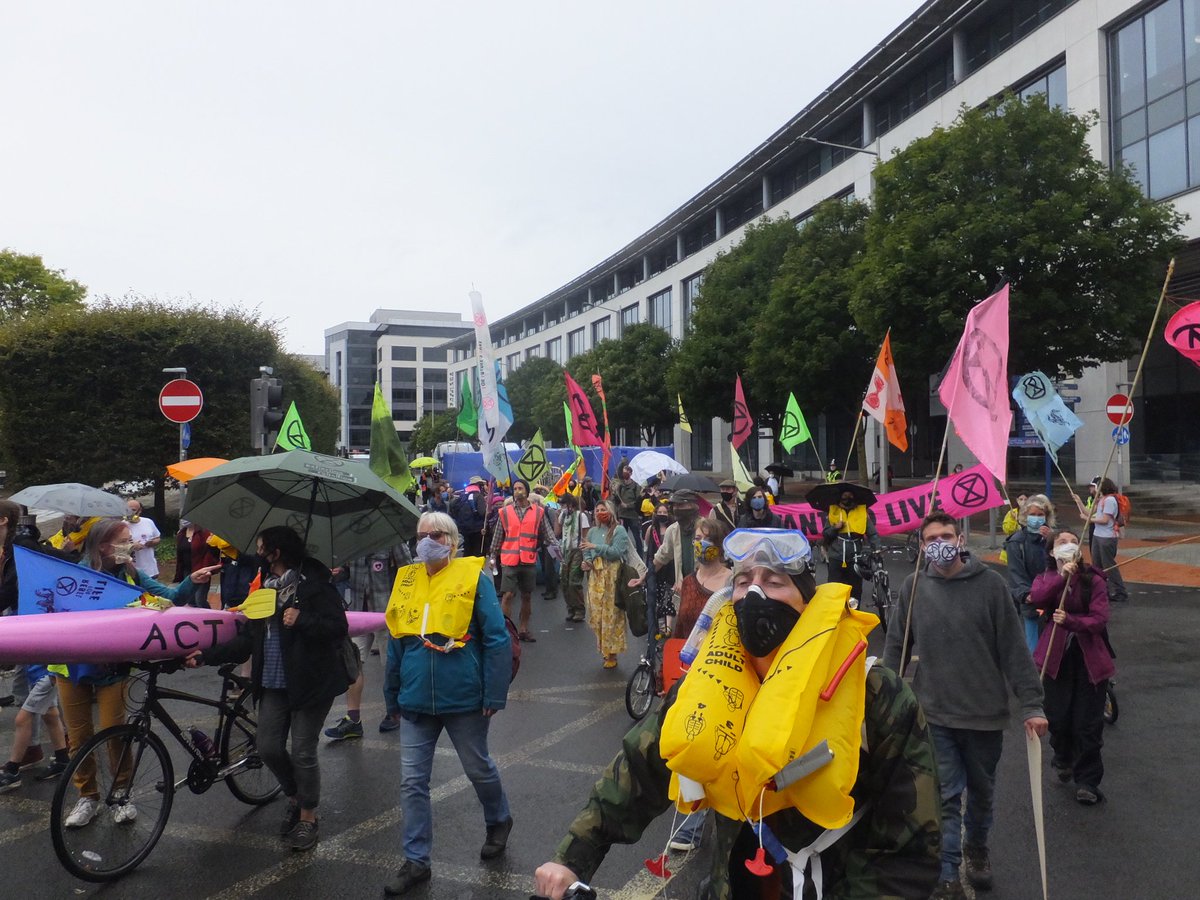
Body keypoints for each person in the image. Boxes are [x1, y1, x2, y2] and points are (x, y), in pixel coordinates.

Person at [534, 528, 941, 900]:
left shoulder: (876, 693)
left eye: (774, 582)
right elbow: (638, 770)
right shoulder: (706, 684)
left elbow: (911, 853)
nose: (754, 595)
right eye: (743, 582)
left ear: (807, 601)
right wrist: (572, 858)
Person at [883, 511, 1048, 899]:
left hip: (985, 714)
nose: (939, 542)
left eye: (946, 534)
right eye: (930, 538)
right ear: (922, 546)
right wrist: (885, 697)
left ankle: (977, 848)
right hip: (934, 713)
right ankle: (947, 874)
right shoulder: (912, 587)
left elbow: (1013, 649)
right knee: (945, 795)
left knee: (981, 792)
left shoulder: (991, 586)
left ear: (960, 539)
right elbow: (896, 648)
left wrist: (1033, 705)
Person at [189, 526, 349, 852]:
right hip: (273, 682)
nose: (256, 553)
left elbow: (337, 627)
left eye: (262, 547)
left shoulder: (315, 586)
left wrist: (302, 619)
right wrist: (205, 656)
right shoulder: (265, 588)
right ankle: (294, 795)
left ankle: (308, 817)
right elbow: (249, 639)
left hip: (310, 683)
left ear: (276, 553)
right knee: (268, 748)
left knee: (303, 752)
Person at [382, 511, 513, 896]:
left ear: (452, 541)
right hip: (416, 699)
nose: (425, 540)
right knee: (412, 783)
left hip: (465, 698)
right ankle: (416, 860)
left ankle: (498, 818)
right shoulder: (406, 579)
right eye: (420, 534)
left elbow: (496, 638)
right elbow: (396, 641)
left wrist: (493, 694)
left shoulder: (474, 578)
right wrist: (391, 695)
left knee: (477, 768)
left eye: (434, 534)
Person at [60, 519, 219, 830]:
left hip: (112, 668)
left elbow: (165, 597)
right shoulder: (77, 575)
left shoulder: (131, 572)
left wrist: (192, 580)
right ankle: (87, 798)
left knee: (115, 733)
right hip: (71, 668)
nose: (130, 544)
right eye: (123, 540)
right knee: (79, 740)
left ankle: (122, 793)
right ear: (103, 546)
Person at [1026, 528, 1113, 805]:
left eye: (1073, 542)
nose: (1068, 545)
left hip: (1089, 659)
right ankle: (1062, 755)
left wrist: (1072, 621)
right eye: (1061, 542)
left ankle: (1087, 780)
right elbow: (1038, 598)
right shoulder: (1046, 578)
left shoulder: (1094, 579)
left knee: (1088, 723)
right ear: (1052, 551)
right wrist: (1063, 576)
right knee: (1058, 717)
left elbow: (1099, 619)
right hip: (1055, 657)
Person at [664, 515, 730, 853]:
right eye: (697, 536)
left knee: (711, 747)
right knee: (688, 744)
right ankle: (690, 823)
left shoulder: (732, 584)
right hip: (688, 676)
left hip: (719, 679)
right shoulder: (688, 581)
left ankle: (703, 822)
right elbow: (680, 628)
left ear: (718, 543)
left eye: (706, 536)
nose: (699, 542)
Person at [325, 543, 412, 740]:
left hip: (387, 612)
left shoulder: (392, 540)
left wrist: (401, 602)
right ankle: (353, 720)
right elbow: (349, 571)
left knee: (392, 666)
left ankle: (396, 712)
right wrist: (339, 573)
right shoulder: (354, 539)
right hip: (358, 612)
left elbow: (410, 573)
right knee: (352, 664)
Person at [488, 478, 559, 643]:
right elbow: (498, 535)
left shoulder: (538, 512)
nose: (517, 491)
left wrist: (558, 551)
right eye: (515, 488)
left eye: (520, 488)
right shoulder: (504, 512)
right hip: (509, 559)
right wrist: (492, 556)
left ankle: (523, 629)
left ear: (527, 492)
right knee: (508, 595)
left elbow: (548, 534)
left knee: (527, 596)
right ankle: (506, 631)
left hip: (528, 560)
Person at [581, 500, 645, 669]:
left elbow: (617, 552)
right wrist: (587, 561)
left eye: (603, 509)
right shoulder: (593, 531)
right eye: (597, 510)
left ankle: (612, 653)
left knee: (612, 614)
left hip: (612, 576)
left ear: (610, 511)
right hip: (596, 576)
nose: (600, 512)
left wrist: (596, 547)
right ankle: (603, 648)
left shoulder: (619, 530)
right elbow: (586, 551)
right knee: (597, 614)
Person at [1004, 493, 1055, 652]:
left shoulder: (1054, 538)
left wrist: (1052, 541)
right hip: (1031, 600)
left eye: (1040, 515)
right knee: (1034, 646)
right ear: (1025, 516)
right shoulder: (1016, 542)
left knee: (1054, 645)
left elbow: (1061, 565)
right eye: (1032, 515)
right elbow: (1016, 574)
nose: (1037, 518)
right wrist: (1027, 595)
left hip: (1054, 599)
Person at [820, 486, 881, 601]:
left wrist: (877, 549)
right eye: (844, 497)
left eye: (850, 497)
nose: (848, 500)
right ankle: (835, 615)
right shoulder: (833, 512)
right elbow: (826, 534)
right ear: (839, 499)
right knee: (834, 589)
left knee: (856, 590)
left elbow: (872, 534)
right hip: (836, 558)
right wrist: (835, 528)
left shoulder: (862, 513)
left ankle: (854, 613)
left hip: (855, 557)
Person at [1078, 476, 1129, 604]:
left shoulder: (1110, 500)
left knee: (1108, 565)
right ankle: (1101, 590)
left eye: (1097, 486)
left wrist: (1088, 519)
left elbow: (1105, 520)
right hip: (1097, 535)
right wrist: (1078, 501)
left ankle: (1119, 590)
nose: (1095, 489)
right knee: (1097, 565)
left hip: (1107, 537)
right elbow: (1089, 511)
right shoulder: (1100, 500)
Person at [642, 501, 677, 628]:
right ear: (655, 514)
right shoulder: (651, 529)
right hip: (656, 565)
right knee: (657, 595)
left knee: (669, 594)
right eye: (660, 512)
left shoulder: (673, 529)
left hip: (670, 566)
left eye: (665, 512)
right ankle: (661, 622)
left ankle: (668, 626)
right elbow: (647, 544)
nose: (662, 514)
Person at [556, 492, 589, 623]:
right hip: (565, 551)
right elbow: (558, 532)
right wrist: (557, 517)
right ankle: (570, 608)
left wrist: (586, 555)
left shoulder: (581, 516)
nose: (562, 506)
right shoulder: (563, 516)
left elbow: (585, 536)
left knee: (573, 581)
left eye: (564, 504)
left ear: (570, 504)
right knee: (564, 581)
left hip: (577, 551)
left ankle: (580, 610)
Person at [175, 520, 217, 607]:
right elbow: (180, 554)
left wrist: (205, 569)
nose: (184, 520)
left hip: (200, 570)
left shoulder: (204, 533)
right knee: (190, 600)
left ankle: (208, 617)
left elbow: (210, 553)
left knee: (200, 599)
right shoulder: (181, 534)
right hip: (186, 571)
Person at [124, 499, 162, 578]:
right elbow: (117, 548)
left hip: (150, 569)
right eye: (127, 509)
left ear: (139, 511)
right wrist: (132, 546)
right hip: (133, 571)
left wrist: (152, 543)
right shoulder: (121, 525)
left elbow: (158, 538)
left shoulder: (148, 522)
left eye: (133, 510)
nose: (130, 512)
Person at [451, 476, 488, 557]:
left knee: (468, 550)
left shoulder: (462, 495)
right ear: (479, 485)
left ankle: (467, 567)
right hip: (477, 529)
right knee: (478, 552)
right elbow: (482, 512)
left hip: (465, 529)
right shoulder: (478, 496)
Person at [612, 464, 643, 555]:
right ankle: (624, 555)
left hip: (632, 515)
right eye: (623, 472)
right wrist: (614, 493)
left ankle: (640, 556)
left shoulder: (636, 486)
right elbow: (615, 500)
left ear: (630, 473)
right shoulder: (620, 486)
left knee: (636, 537)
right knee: (622, 537)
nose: (625, 473)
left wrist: (628, 505)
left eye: (627, 471)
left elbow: (638, 501)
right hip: (622, 515)